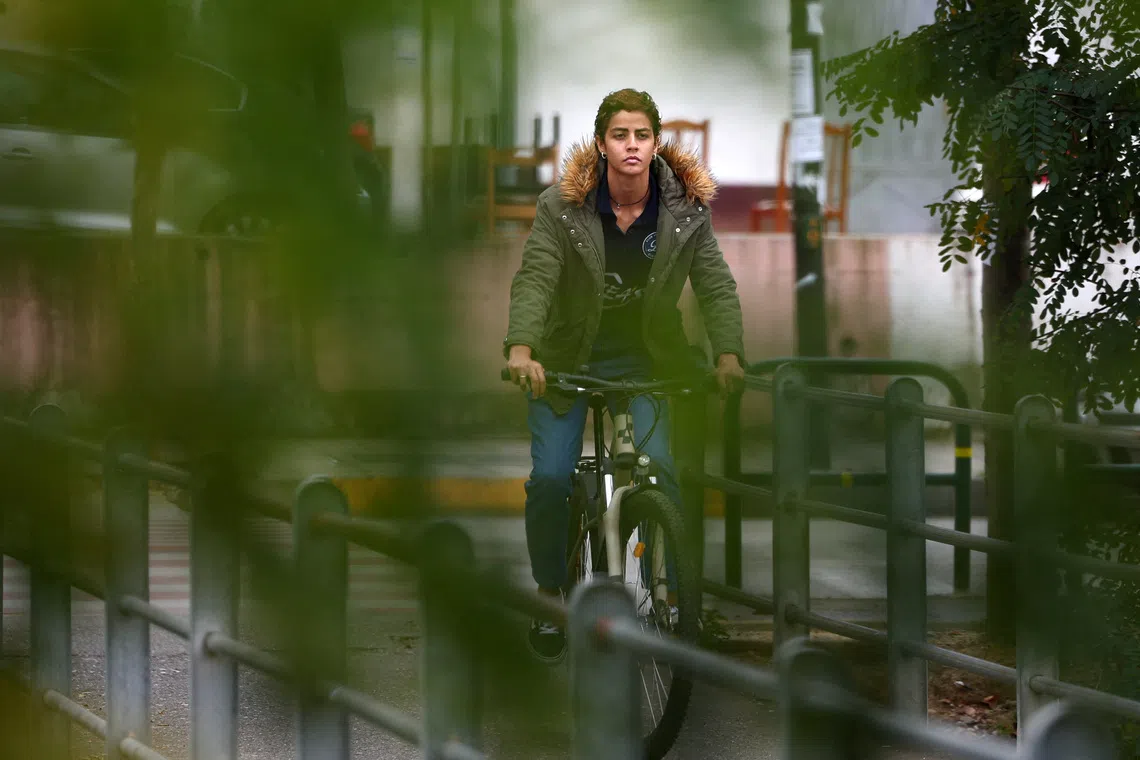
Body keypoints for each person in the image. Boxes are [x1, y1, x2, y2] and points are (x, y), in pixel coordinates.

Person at [502, 88, 746, 662]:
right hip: (563, 362)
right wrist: (521, 348)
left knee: (662, 472)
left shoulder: (686, 211)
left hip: (648, 363)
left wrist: (729, 353)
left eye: (641, 135)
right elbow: (535, 278)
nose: (631, 146)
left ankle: (673, 602)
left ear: (656, 143)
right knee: (553, 478)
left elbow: (715, 284)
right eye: (619, 135)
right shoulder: (562, 207)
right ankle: (549, 595)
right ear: (603, 144)